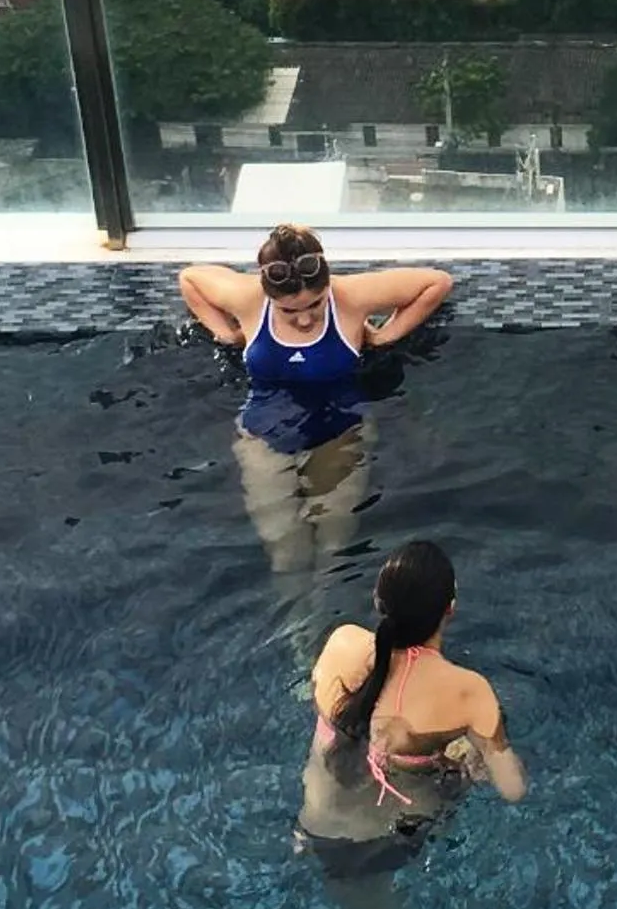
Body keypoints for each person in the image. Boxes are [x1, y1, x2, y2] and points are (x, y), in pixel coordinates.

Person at [176, 229, 453, 618]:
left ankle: (324, 620)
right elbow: (190, 279)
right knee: (284, 548)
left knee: (333, 546)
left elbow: (436, 283)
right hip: (263, 432)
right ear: (269, 295)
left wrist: (387, 334)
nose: (305, 320)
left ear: (328, 286)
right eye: (290, 311)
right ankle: (295, 631)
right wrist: (223, 331)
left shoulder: (351, 297)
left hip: (341, 429)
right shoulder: (248, 298)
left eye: (316, 306)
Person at [297, 539, 525, 909]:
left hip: (314, 821)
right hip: (381, 842)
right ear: (450, 609)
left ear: (377, 600)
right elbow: (511, 788)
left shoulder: (342, 643)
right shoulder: (468, 692)